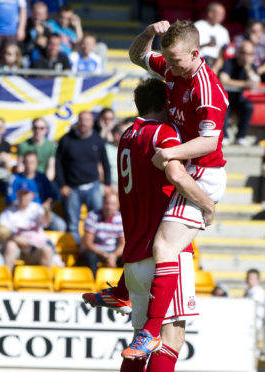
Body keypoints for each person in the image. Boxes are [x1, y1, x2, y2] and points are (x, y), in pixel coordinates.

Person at [83, 78, 215, 371]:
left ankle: (118, 293)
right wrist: (207, 203)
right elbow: (177, 175)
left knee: (139, 346)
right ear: (166, 104)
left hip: (134, 259)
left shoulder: (128, 134)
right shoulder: (163, 132)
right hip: (165, 252)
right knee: (170, 341)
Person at [121, 20, 228, 359]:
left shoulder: (208, 89)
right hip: (184, 171)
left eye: (176, 60)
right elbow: (137, 55)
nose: (169, 66)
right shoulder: (172, 66)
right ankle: (127, 297)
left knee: (165, 245)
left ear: (196, 54)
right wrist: (149, 32)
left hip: (204, 174)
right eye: (166, 59)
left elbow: (211, 140)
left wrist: (170, 154)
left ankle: (151, 331)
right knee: (158, 240)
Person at [55, 110, 111, 243]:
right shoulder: (66, 139)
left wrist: (107, 183)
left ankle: (96, 249)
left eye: (86, 120)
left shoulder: (97, 139)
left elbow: (105, 162)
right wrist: (62, 185)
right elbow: (58, 164)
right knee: (73, 224)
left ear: (92, 123)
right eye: (81, 120)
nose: (83, 123)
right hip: (72, 188)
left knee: (98, 222)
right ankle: (77, 253)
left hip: (93, 186)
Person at [0, 182, 54, 270]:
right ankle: (6, 278)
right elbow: (1, 233)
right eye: (21, 193)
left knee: (47, 250)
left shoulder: (37, 208)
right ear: (17, 194)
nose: (23, 197)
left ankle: (47, 280)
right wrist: (15, 238)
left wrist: (47, 211)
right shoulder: (8, 212)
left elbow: (46, 223)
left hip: (33, 249)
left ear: (31, 195)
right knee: (10, 246)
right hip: (17, 248)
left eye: (26, 194)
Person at [7, 151, 65, 232]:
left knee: (60, 226)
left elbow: (52, 198)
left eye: (32, 162)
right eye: (26, 162)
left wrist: (48, 205)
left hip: (40, 212)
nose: (29, 165)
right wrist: (25, 205)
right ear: (23, 163)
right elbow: (11, 201)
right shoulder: (15, 179)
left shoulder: (43, 178)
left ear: (37, 163)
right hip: (21, 212)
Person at [219, 40, 258, 146]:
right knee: (224, 105)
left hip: (240, 98)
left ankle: (240, 137)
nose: (246, 56)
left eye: (249, 54)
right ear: (238, 52)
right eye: (243, 53)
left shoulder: (251, 67)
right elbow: (224, 80)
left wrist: (248, 68)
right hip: (227, 97)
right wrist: (244, 84)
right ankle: (225, 136)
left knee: (248, 107)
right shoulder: (230, 63)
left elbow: (256, 82)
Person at [80, 192, 124, 276]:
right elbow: (88, 243)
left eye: (113, 204)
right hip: (96, 251)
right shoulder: (92, 216)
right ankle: (93, 281)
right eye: (107, 203)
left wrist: (114, 255)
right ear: (103, 203)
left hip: (113, 252)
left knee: (128, 256)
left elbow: (123, 243)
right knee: (90, 256)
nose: (109, 207)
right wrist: (105, 255)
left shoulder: (120, 218)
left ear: (118, 205)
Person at [194, 2, 230, 70]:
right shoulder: (197, 26)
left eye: (223, 15)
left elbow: (224, 53)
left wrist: (216, 68)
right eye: (220, 14)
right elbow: (190, 48)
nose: (222, 17)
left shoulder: (224, 31)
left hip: (218, 63)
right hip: (200, 61)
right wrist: (206, 45)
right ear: (210, 14)